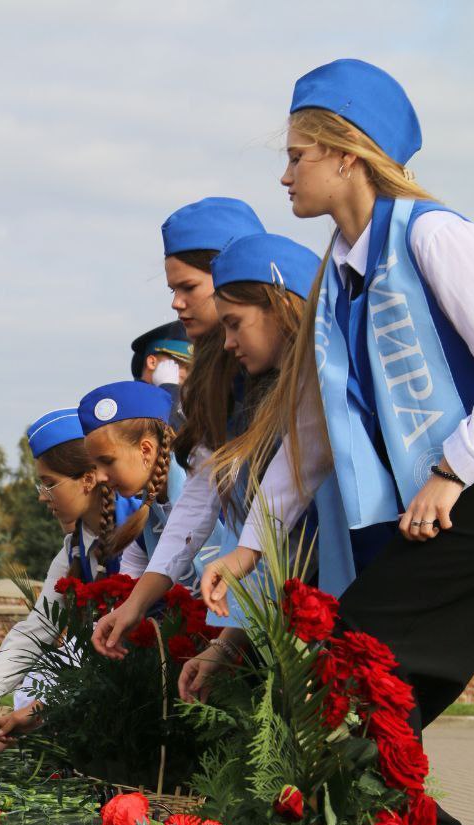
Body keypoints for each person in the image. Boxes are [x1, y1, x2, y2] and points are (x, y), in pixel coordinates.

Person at [202, 58, 474, 825]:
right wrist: (251, 549)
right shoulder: (336, 272)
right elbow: (314, 430)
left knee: (347, 678)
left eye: (298, 153)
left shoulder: (434, 236)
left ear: (348, 154)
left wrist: (451, 470)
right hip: (453, 510)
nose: (285, 172)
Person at [91, 197, 266, 658]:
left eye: (188, 286)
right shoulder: (210, 380)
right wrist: (137, 602)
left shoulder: (286, 366)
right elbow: (203, 496)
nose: (176, 302)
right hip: (261, 576)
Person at [167, 231, 323, 702]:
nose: (230, 342)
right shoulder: (284, 395)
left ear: (280, 306)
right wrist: (229, 641)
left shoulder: (322, 382)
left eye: (235, 323)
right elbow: (283, 542)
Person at [0, 408, 139, 754]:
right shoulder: (75, 548)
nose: (42, 496)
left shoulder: (138, 532)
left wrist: (40, 714)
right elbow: (32, 634)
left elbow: (119, 659)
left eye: (49, 483)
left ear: (88, 478)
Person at [78, 379, 205, 587]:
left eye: (107, 461)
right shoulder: (145, 519)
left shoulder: (212, 487)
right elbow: (130, 593)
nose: (99, 477)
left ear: (146, 450)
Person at [130, 319, 193, 423]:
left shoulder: (185, 405)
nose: (185, 375)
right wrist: (169, 388)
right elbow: (168, 433)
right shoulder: (130, 399)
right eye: (178, 365)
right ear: (152, 362)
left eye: (190, 369)